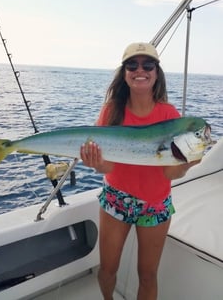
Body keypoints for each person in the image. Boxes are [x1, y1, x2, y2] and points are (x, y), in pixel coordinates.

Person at [80, 42, 198, 300]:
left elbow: (170, 174)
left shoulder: (170, 115)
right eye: (132, 65)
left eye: (148, 65)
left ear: (157, 73)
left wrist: (186, 164)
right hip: (116, 200)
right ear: (124, 73)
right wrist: (97, 163)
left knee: (147, 276)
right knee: (108, 270)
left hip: (156, 204)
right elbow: (109, 165)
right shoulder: (111, 111)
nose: (140, 70)